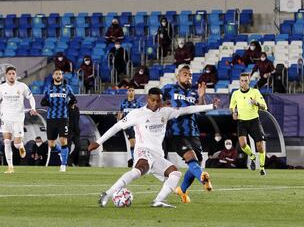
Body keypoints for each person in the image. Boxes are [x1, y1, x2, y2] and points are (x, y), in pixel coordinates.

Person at [88, 87, 219, 208]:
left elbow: (187, 110)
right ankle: (107, 194)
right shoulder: (137, 114)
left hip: (157, 155)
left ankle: (158, 201)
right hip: (143, 150)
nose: (155, 103)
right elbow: (116, 127)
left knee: (175, 173)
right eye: (152, 100)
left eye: (158, 100)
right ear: (147, 99)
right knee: (140, 169)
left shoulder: (165, 112)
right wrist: (98, 142)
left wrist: (211, 106)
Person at [162, 64, 213, 204]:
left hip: (193, 132)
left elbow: (202, 111)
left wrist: (202, 96)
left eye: (190, 75)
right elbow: (155, 103)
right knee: (191, 157)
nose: (188, 77)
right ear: (178, 76)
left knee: (196, 162)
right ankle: (203, 178)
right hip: (176, 132)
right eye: (185, 74)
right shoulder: (168, 89)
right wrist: (163, 107)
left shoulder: (194, 92)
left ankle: (182, 190)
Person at [0, 66, 37, 173]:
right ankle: (10, 167)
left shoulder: (22, 86)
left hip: (18, 118)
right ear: (6, 75)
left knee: (16, 144)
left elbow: (31, 97)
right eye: (10, 74)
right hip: (5, 118)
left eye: (13, 74)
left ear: (16, 75)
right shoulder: (1, 88)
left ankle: (20, 146)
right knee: (6, 141)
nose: (12, 76)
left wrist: (33, 108)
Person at [229, 73, 268, 175]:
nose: (244, 82)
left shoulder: (255, 92)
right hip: (242, 121)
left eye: (246, 80)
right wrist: (233, 113)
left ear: (249, 81)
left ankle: (262, 168)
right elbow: (232, 106)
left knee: (260, 146)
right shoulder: (235, 94)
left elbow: (265, 107)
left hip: (254, 121)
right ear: (239, 82)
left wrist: (257, 103)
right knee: (242, 144)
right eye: (242, 80)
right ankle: (252, 156)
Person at [40, 69, 77, 172]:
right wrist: (46, 102)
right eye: (56, 74)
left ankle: (63, 165)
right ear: (53, 76)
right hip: (51, 118)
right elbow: (43, 101)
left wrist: (69, 105)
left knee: (63, 140)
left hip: (63, 118)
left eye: (60, 74)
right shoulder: (49, 88)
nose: (58, 75)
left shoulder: (67, 88)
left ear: (62, 76)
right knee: (51, 144)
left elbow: (74, 100)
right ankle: (61, 152)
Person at [117, 85, 141, 167]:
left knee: (136, 144)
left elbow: (141, 114)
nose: (131, 92)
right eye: (129, 90)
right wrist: (118, 125)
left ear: (134, 92)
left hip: (136, 126)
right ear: (127, 92)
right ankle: (134, 160)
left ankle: (134, 159)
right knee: (133, 143)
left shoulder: (138, 103)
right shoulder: (123, 103)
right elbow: (120, 114)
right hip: (128, 126)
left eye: (132, 90)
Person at [68, 102, 80, 166]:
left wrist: (77, 128)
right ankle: (68, 163)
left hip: (76, 131)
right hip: (69, 130)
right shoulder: (67, 108)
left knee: (78, 146)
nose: (74, 103)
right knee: (68, 147)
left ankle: (72, 159)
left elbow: (78, 118)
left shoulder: (77, 109)